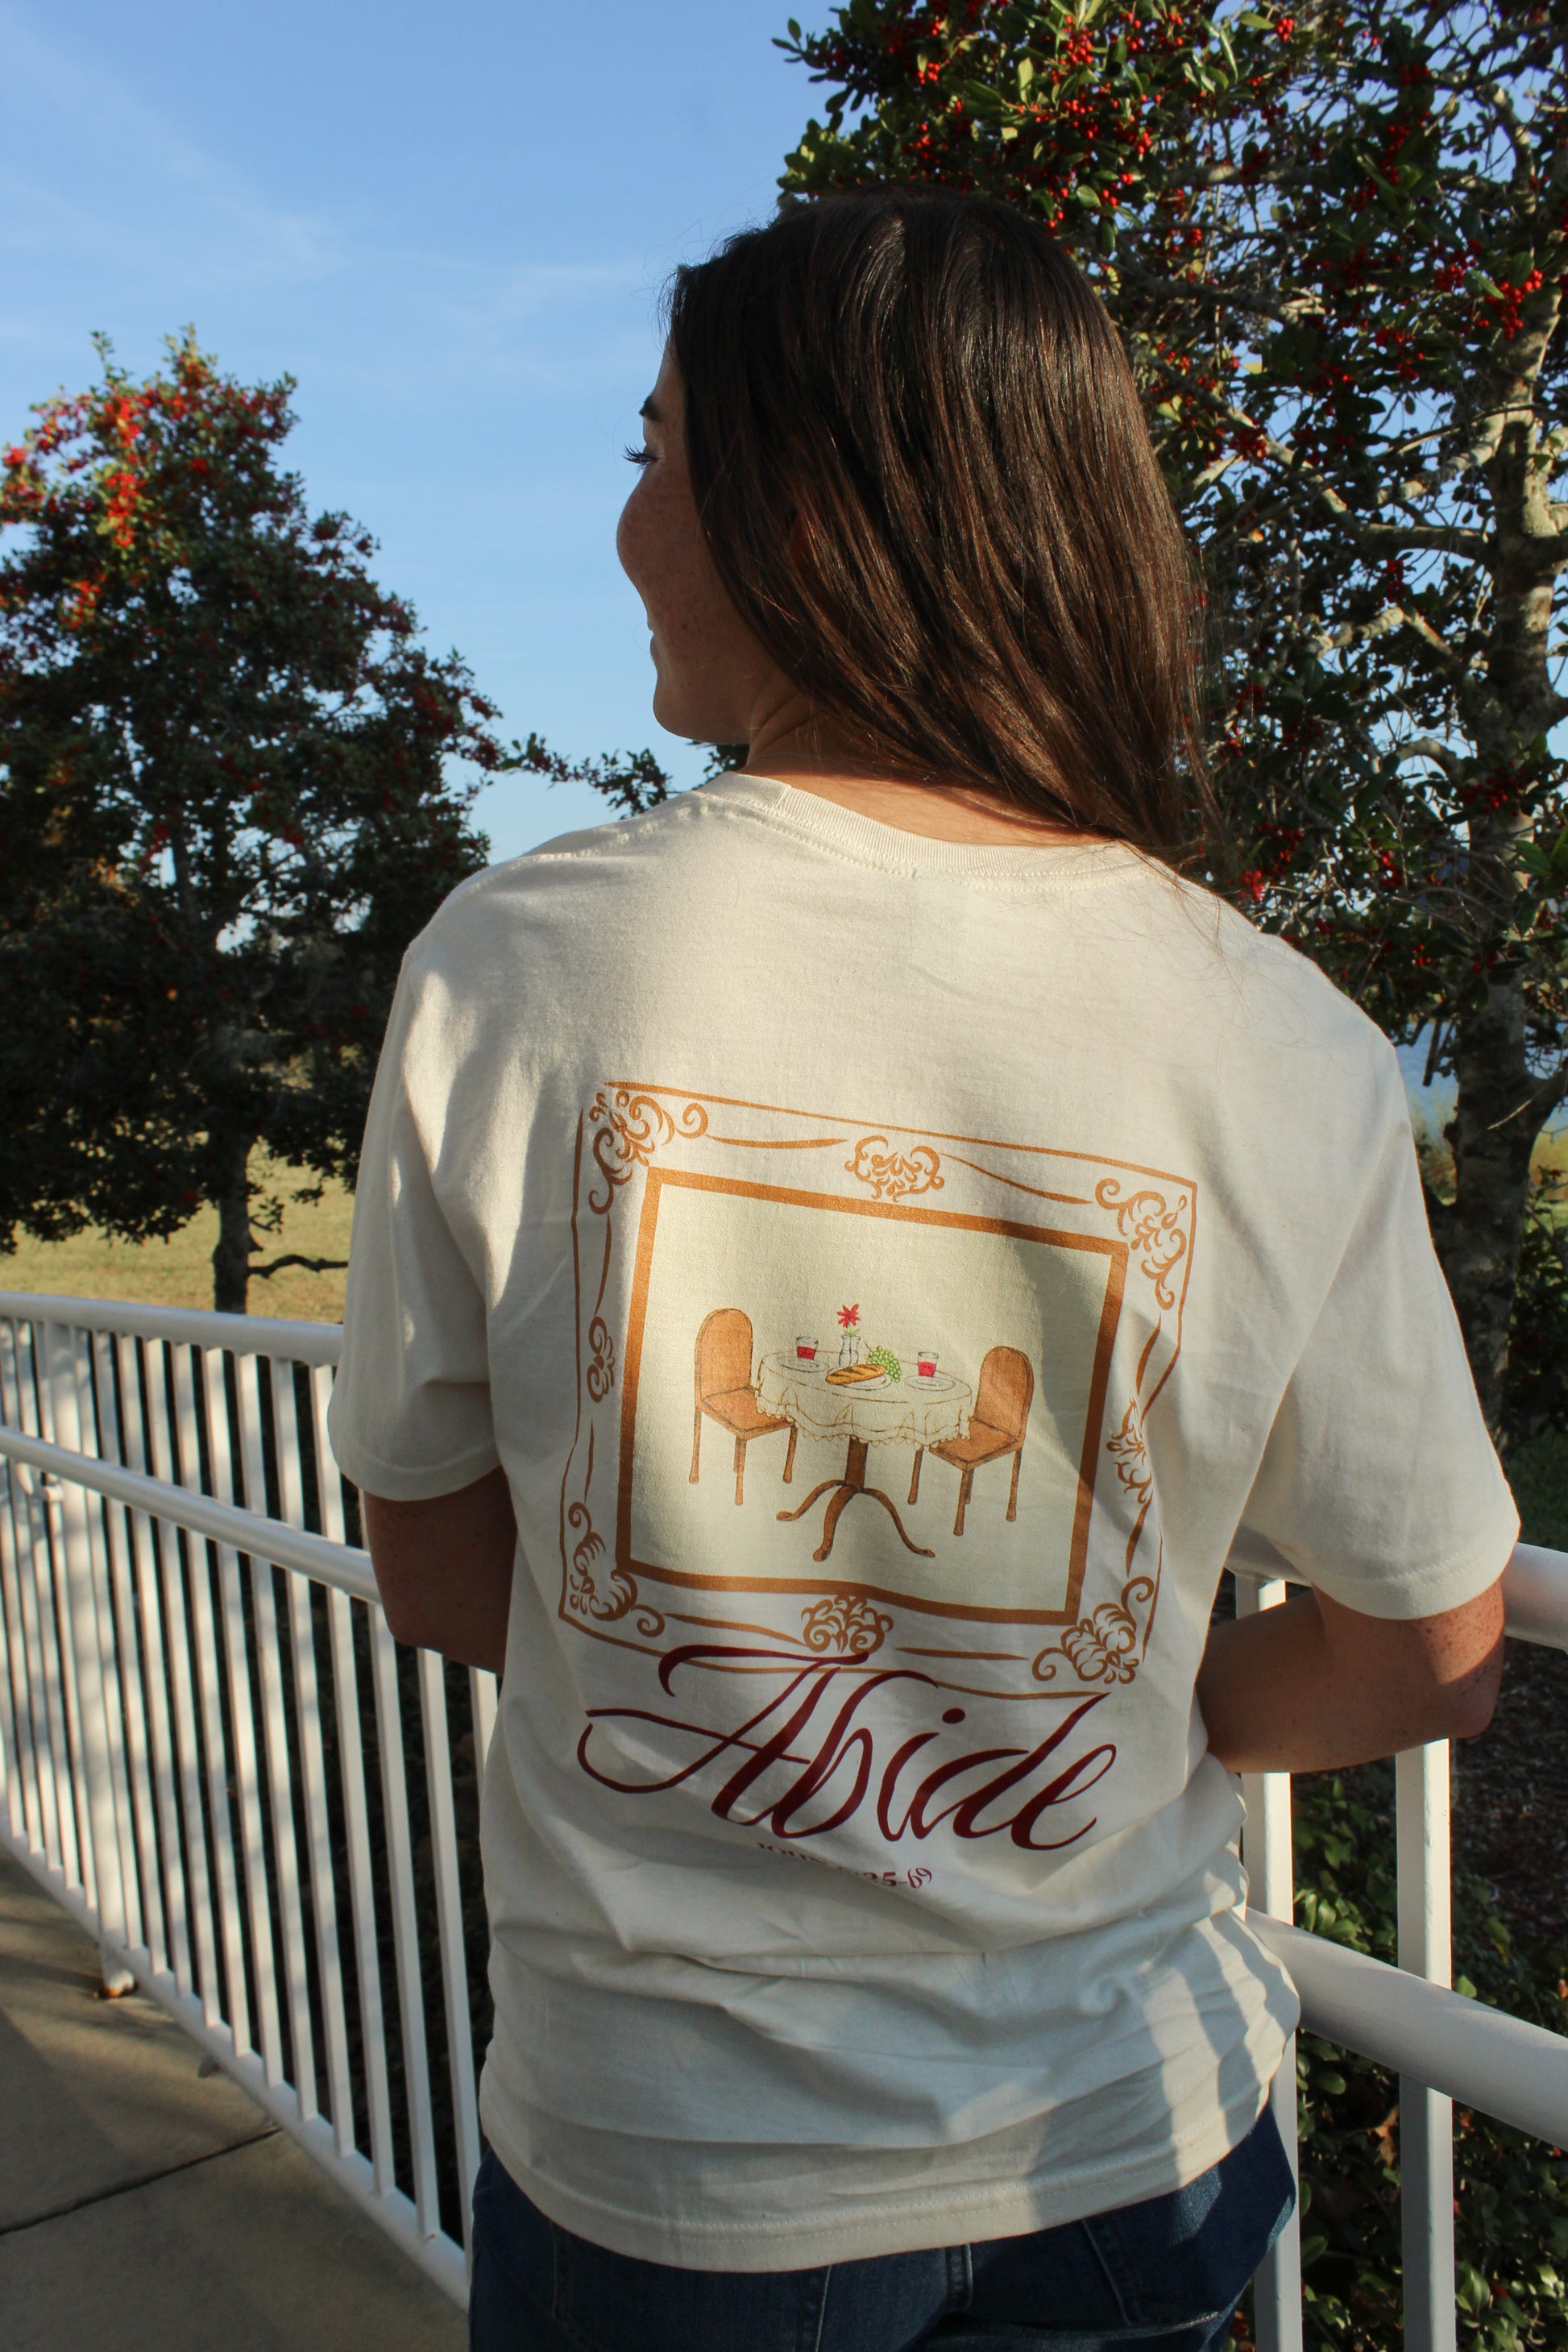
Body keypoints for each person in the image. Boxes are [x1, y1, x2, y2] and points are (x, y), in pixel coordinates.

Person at [327, 190, 1512, 2352]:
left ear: (806, 505)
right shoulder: (1280, 1039)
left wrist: (739, 1707)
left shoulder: (519, 969)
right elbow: (1431, 1649)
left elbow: (435, 1569)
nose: (622, 527)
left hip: (667, 2174)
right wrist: (1127, 1717)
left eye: (654, 453)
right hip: (1126, 2150)